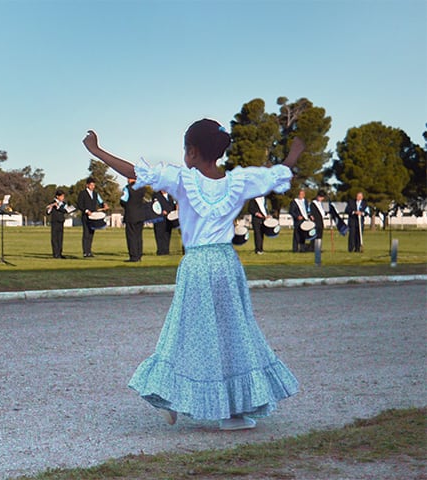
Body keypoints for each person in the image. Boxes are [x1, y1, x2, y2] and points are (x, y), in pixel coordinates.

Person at [83, 119, 303, 431]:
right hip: (226, 263)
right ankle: (232, 411)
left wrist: (97, 150)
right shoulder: (238, 182)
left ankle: (175, 396)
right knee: (233, 333)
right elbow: (279, 174)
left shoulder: (182, 180)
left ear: (192, 152)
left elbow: (134, 172)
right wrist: (293, 154)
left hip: (198, 264)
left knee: (188, 333)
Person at [76, 177, 107, 257]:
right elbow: (79, 205)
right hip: (86, 216)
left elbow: (100, 201)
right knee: (86, 233)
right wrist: (86, 210)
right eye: (91, 185)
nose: (93, 187)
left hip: (93, 216)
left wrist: (104, 204)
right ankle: (85, 252)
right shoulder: (82, 193)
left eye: (94, 185)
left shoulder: (95, 194)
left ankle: (89, 251)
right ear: (87, 185)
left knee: (91, 233)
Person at [120, 177, 146, 262]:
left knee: (131, 236)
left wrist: (127, 206)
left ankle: (133, 256)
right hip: (140, 214)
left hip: (131, 215)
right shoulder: (142, 188)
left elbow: (123, 201)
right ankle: (139, 255)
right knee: (139, 236)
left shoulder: (127, 188)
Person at [153, 190, 176, 256]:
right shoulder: (156, 195)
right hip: (160, 218)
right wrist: (162, 211)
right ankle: (160, 250)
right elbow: (155, 206)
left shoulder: (171, 195)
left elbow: (173, 205)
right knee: (159, 235)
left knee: (167, 234)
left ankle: (166, 250)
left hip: (169, 218)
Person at [46, 189, 68, 258]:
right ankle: (55, 254)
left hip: (61, 222)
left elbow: (65, 211)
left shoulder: (64, 204)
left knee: (60, 238)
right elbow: (48, 212)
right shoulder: (52, 202)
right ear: (57, 196)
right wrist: (51, 206)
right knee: (54, 238)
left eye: (63, 196)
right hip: (54, 222)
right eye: (61, 196)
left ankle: (60, 253)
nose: (62, 198)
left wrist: (58, 207)